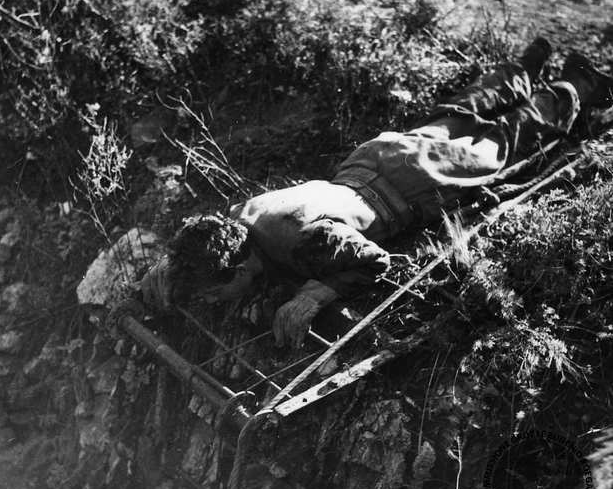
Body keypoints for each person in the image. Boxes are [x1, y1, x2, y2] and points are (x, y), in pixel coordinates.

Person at [141, 40, 613, 347]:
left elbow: (374, 261)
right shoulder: (239, 218)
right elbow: (204, 238)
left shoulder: (304, 241)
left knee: (502, 143)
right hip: (374, 157)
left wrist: (314, 295)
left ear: (240, 266)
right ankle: (521, 69)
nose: (214, 301)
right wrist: (170, 267)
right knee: (456, 116)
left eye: (217, 292)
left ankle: (579, 83)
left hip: (414, 182)